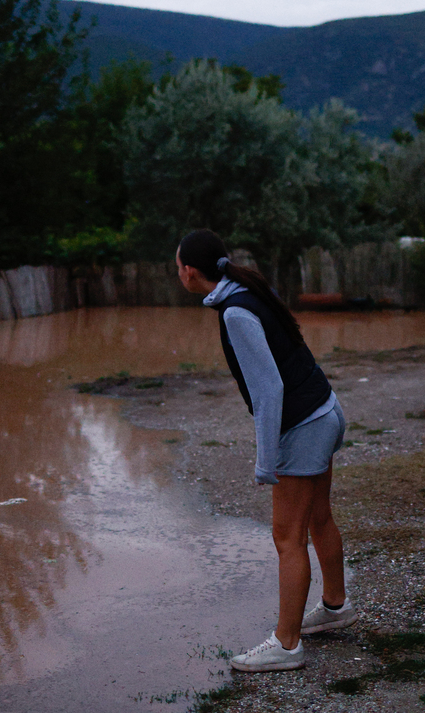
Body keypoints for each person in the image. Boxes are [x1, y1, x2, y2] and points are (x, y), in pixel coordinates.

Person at [175, 229, 356, 673]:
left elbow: (268, 389)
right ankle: (336, 606)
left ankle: (286, 644)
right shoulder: (248, 289)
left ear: (189, 272)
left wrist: (266, 460)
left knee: (287, 538)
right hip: (325, 410)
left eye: (176, 265)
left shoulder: (235, 313)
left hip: (303, 426)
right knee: (318, 518)